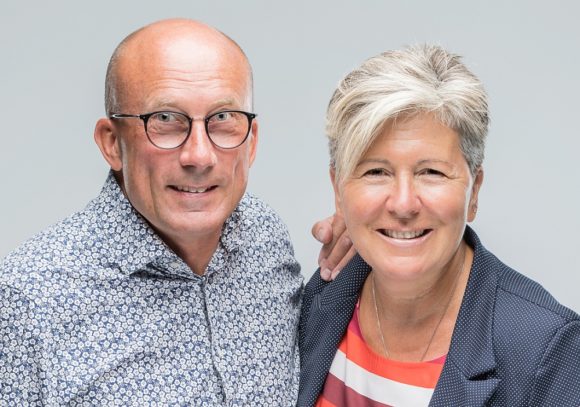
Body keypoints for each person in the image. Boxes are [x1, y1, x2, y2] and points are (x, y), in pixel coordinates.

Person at [0, 19, 348, 405]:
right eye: (165, 119)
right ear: (112, 143)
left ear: (251, 143)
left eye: (222, 118)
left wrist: (370, 239)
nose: (199, 155)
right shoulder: (28, 300)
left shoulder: (265, 238)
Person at [298, 44, 580, 406]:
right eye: (376, 172)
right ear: (338, 190)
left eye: (431, 172)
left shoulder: (547, 352)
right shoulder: (319, 301)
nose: (403, 204)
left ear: (474, 191)